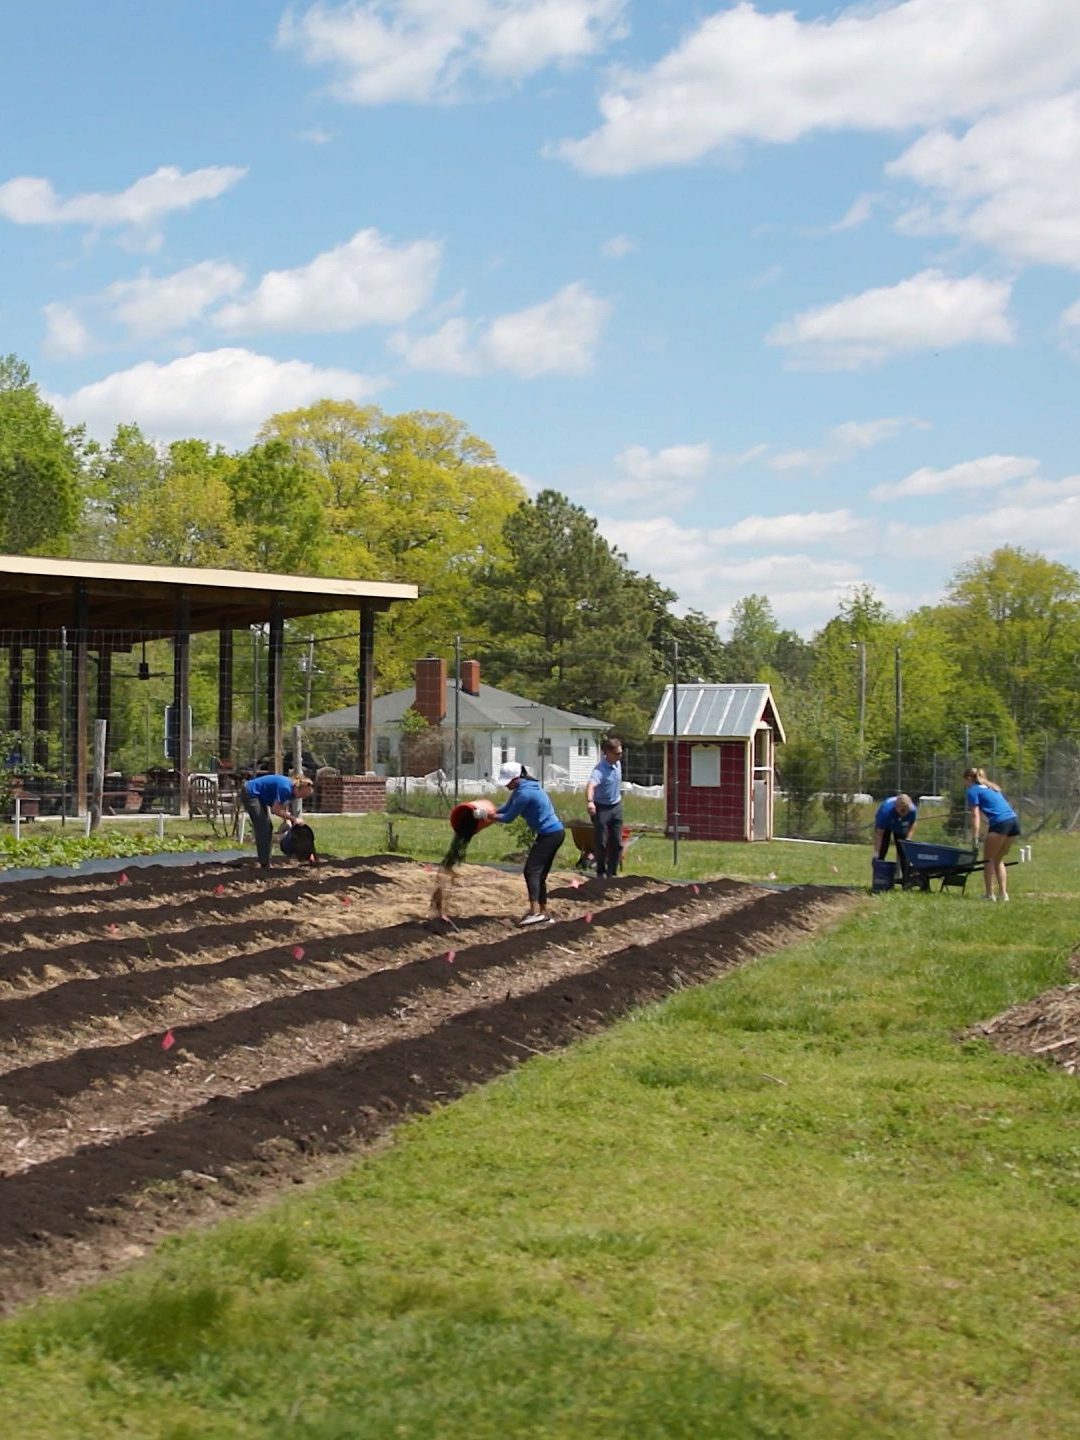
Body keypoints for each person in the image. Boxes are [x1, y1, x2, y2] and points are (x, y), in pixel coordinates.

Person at [493, 761, 565, 925]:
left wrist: (486, 816)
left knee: (531, 871)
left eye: (508, 782)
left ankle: (534, 912)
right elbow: (506, 808)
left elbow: (508, 817)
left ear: (517, 778)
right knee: (539, 875)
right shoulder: (525, 788)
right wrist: (491, 811)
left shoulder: (524, 794)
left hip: (550, 834)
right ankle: (544, 913)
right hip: (554, 832)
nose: (506, 786)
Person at [963, 766, 1020, 901]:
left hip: (1000, 823)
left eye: (964, 781)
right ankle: (1003, 894)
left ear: (969, 778)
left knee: (988, 860)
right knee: (998, 859)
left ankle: (989, 895)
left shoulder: (972, 790)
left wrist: (975, 837)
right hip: (1013, 822)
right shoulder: (992, 787)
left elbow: (975, 815)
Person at [241, 773, 314, 869]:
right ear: (298, 788)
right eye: (303, 795)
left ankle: (265, 859)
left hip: (259, 795)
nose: (302, 797)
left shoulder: (292, 791)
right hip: (250, 792)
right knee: (264, 828)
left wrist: (287, 821)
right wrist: (294, 819)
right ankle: (264, 863)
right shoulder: (286, 788)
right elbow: (275, 810)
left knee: (267, 827)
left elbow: (283, 804)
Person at [586, 736, 624, 878]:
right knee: (601, 842)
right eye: (617, 754)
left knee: (617, 842)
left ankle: (612, 872)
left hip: (616, 806)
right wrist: (590, 802)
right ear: (607, 753)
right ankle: (600, 871)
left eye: (621, 753)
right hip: (601, 808)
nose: (620, 756)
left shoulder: (618, 764)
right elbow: (591, 785)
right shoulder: (599, 770)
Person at [873, 793, 918, 875]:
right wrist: (876, 853)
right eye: (902, 810)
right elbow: (879, 834)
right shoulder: (885, 812)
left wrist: (908, 838)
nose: (904, 813)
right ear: (896, 807)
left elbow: (912, 823)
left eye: (906, 810)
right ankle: (879, 877)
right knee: (882, 849)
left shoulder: (912, 810)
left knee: (903, 852)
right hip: (887, 824)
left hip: (900, 826)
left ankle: (906, 879)